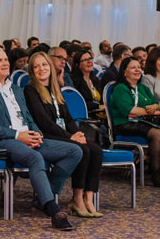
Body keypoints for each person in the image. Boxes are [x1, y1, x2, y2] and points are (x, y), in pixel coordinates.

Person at [0, 47, 81, 230]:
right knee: (35, 157)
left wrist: (36, 134)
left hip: (25, 137)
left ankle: (44, 196)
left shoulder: (16, 89)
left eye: (6, 60)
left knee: (74, 151)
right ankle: (52, 209)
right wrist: (17, 135)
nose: (5, 63)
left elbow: (28, 118)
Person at [23, 52, 103, 218]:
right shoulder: (31, 90)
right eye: (36, 66)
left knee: (96, 150)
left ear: (50, 67)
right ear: (31, 71)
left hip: (63, 134)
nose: (41, 69)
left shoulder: (55, 89)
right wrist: (70, 137)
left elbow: (67, 119)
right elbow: (45, 123)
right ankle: (77, 199)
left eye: (44, 65)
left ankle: (88, 199)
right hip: (47, 135)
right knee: (83, 150)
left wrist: (77, 133)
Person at [108, 55, 160, 187]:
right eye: (133, 68)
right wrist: (150, 111)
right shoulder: (120, 88)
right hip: (125, 123)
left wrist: (155, 107)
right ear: (124, 72)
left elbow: (154, 103)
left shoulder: (142, 88)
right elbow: (130, 111)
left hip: (145, 122)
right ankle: (155, 173)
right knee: (157, 134)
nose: (138, 70)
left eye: (139, 67)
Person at [72, 48, 105, 119]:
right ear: (78, 65)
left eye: (90, 58)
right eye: (85, 60)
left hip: (100, 115)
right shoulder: (75, 81)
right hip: (86, 117)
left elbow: (102, 99)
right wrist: (98, 106)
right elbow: (80, 102)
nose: (89, 61)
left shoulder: (95, 80)